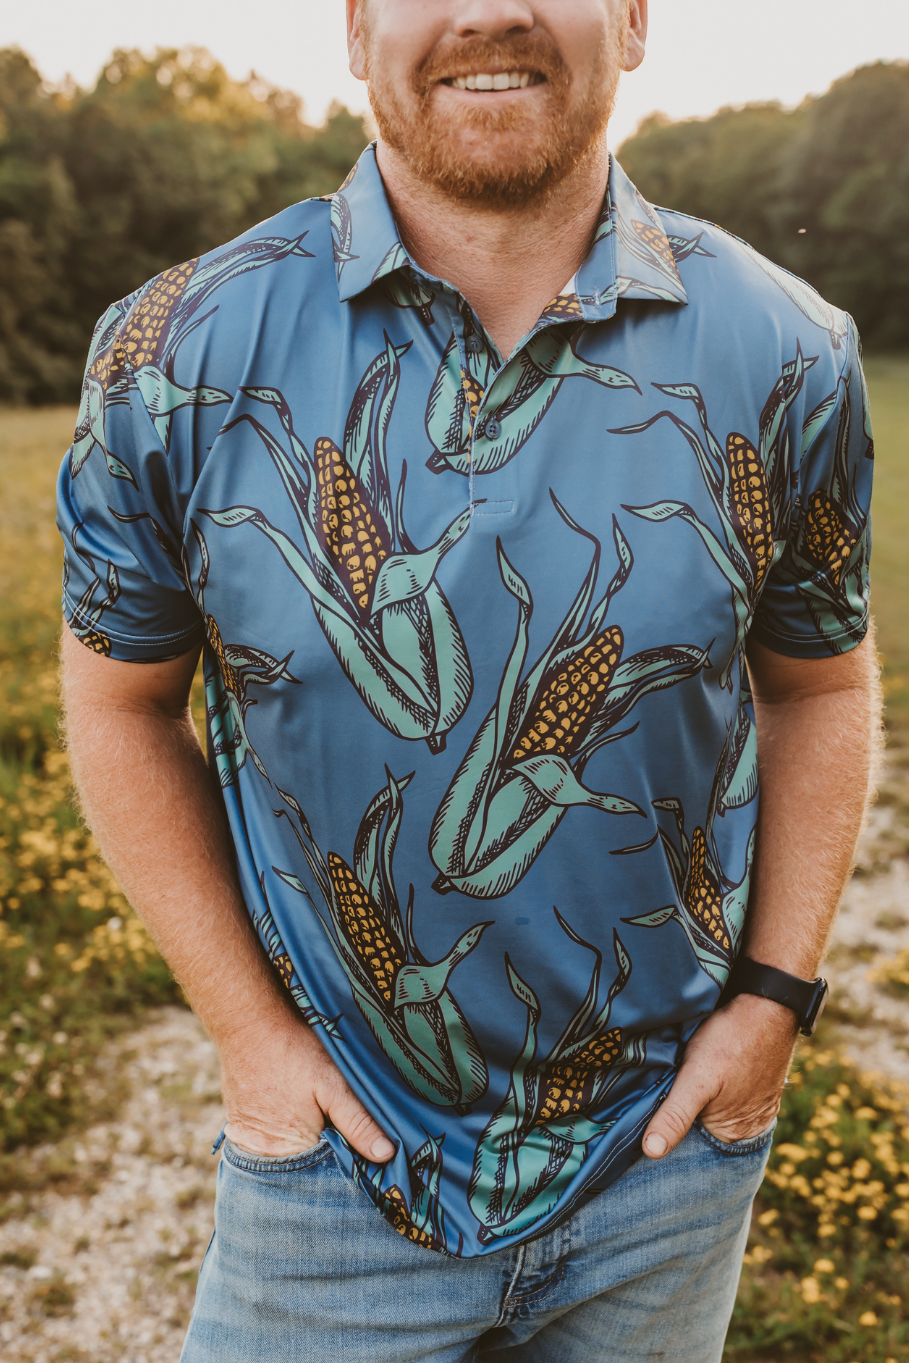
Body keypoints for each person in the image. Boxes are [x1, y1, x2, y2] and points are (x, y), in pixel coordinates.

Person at [57, 1, 879, 1358]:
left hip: (666, 1163)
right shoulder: (174, 350)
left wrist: (773, 1004)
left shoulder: (788, 350)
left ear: (633, 17)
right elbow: (117, 704)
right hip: (332, 1173)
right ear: (356, 25)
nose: (488, 10)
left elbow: (822, 688)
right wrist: (249, 1036)